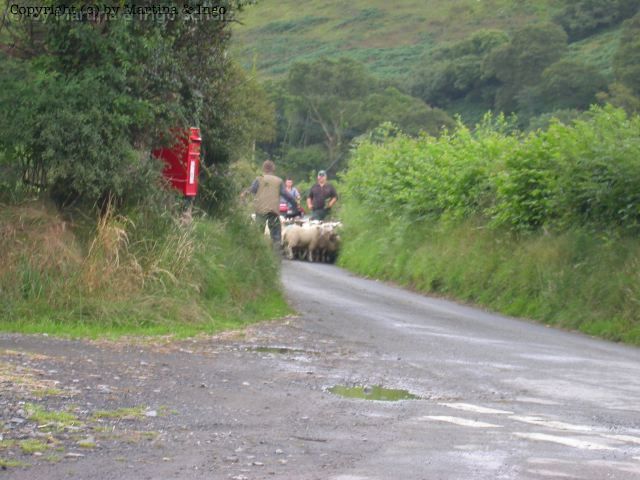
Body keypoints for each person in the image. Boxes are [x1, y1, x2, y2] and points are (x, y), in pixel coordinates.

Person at [247, 160, 298, 246]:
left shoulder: (259, 179)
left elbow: (251, 191)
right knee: (276, 236)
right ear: (273, 169)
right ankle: (276, 255)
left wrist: (243, 199)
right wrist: (295, 205)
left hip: (260, 211)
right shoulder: (278, 181)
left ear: (263, 168)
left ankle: (256, 254)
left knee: (258, 234)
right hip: (273, 212)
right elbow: (286, 195)